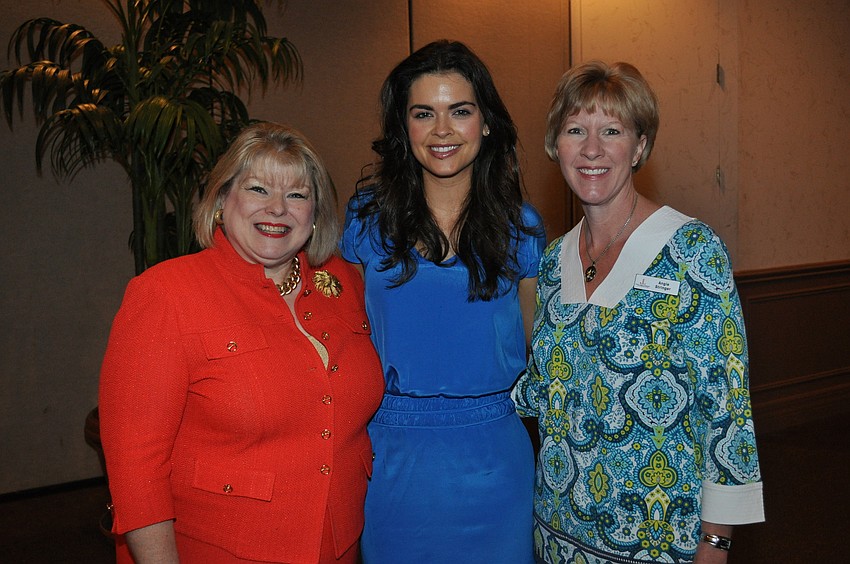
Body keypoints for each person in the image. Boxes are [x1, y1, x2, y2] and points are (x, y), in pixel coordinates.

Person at [512, 61, 765, 563]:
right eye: (575, 130)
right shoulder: (552, 261)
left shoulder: (691, 250)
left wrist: (716, 543)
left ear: (640, 146)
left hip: (658, 543)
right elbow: (542, 394)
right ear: (555, 146)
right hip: (556, 535)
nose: (592, 149)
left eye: (612, 131)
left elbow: (726, 409)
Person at [99, 122, 385, 563]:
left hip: (340, 544)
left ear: (315, 213)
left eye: (297, 194)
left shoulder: (344, 281)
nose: (278, 209)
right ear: (221, 200)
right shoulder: (166, 294)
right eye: (258, 189)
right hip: (223, 549)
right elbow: (136, 470)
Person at [340, 40, 546, 563]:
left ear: (487, 122)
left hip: (496, 463)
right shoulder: (366, 221)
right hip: (392, 462)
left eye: (460, 111)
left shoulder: (521, 229)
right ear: (403, 127)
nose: (442, 130)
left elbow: (542, 353)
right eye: (423, 113)